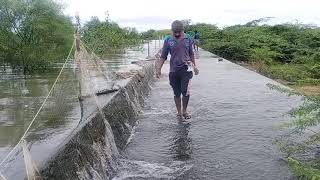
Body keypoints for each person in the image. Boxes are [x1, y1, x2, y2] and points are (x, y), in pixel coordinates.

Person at [156, 20, 199, 119]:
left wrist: (195, 66)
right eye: (174, 32)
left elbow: (191, 53)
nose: (176, 34)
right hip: (174, 71)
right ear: (172, 30)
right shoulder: (168, 40)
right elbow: (163, 56)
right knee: (176, 93)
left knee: (185, 91)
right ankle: (179, 112)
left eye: (178, 32)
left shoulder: (188, 39)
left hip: (186, 70)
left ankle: (185, 111)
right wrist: (159, 68)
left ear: (182, 30)